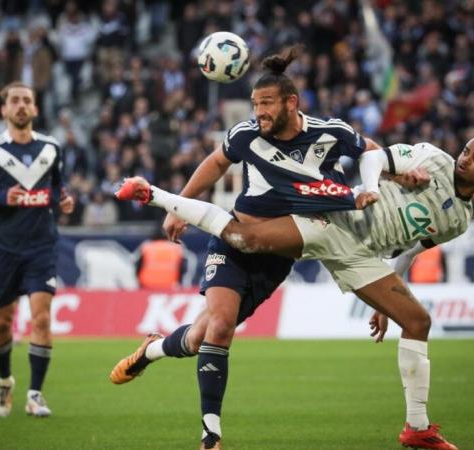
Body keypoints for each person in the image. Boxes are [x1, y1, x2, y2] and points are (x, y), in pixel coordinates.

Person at [115, 134, 474, 450]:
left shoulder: (459, 220)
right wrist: (372, 185)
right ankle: (154, 194)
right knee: (245, 240)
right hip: (336, 219)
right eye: (467, 150)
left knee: (416, 320)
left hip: (363, 256)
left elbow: (411, 248)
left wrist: (389, 300)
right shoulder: (433, 158)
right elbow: (374, 156)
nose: (466, 159)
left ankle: (416, 428)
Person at [110, 45, 390, 450]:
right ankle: (211, 435)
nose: (259, 111)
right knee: (221, 328)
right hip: (234, 239)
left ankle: (152, 350)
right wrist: (181, 207)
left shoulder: (330, 133)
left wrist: (389, 178)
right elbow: (216, 162)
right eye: (256, 103)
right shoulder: (245, 136)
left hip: (278, 257)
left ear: (291, 103)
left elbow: (374, 153)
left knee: (198, 338)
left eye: (267, 103)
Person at [0, 82, 75, 418]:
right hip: (5, 247)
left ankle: (35, 395)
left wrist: (63, 200)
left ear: (35, 109)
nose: (22, 105)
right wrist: (0, 198)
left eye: (27, 100)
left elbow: (56, 188)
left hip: (42, 246)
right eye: (15, 100)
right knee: (2, 323)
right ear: (5, 110)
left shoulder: (52, 148)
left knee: (41, 318)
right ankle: (6, 381)